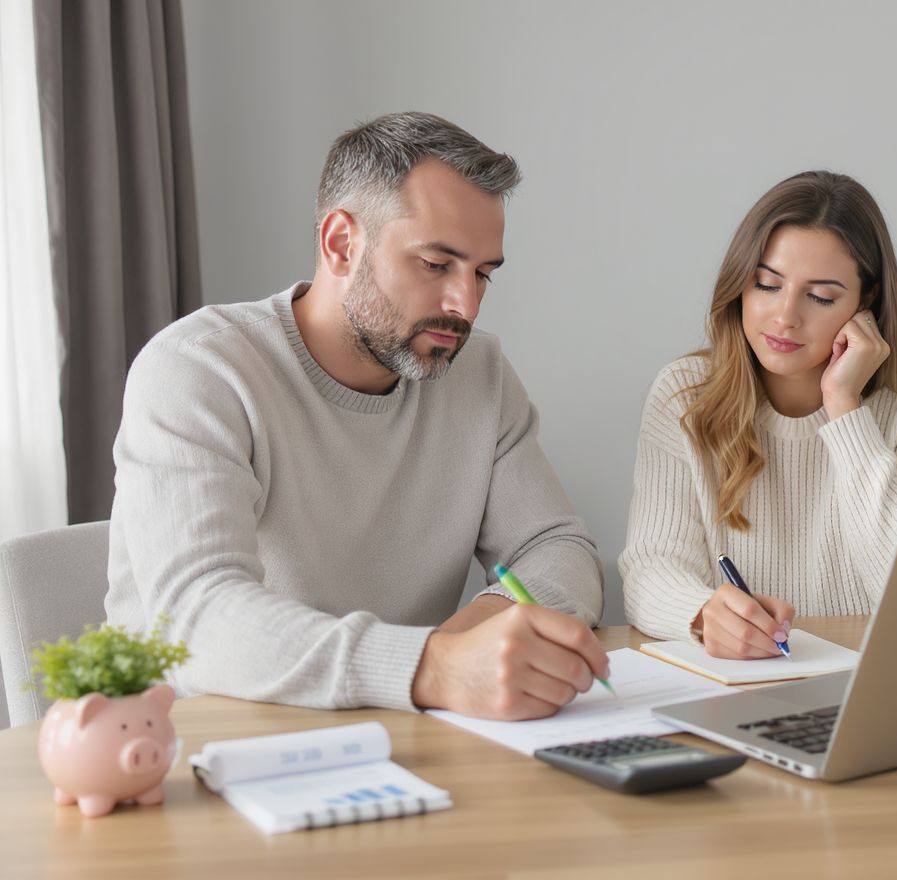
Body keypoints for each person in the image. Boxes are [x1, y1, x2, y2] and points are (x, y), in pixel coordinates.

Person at [105, 112, 608, 720]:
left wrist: (482, 625)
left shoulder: (480, 373)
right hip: (196, 748)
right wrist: (434, 666)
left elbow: (558, 548)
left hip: (404, 732)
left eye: (482, 273)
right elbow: (195, 617)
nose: (466, 305)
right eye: (436, 264)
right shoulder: (199, 370)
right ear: (342, 243)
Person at [619, 171, 897, 660]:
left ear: (865, 300)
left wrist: (845, 409)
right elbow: (651, 567)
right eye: (767, 284)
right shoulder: (685, 393)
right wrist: (703, 615)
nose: (785, 316)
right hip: (743, 681)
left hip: (884, 674)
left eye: (820, 296)